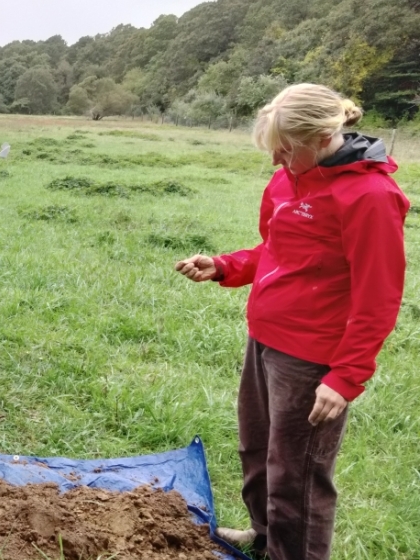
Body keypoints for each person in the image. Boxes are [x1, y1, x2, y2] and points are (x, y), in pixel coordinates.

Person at [174, 84, 408, 560]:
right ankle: (264, 536)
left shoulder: (370, 196)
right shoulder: (287, 180)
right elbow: (275, 252)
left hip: (312, 358)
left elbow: (379, 295)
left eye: (286, 149)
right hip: (264, 340)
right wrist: (225, 266)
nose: (276, 160)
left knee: (297, 476)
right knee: (257, 451)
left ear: (323, 138)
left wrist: (345, 377)